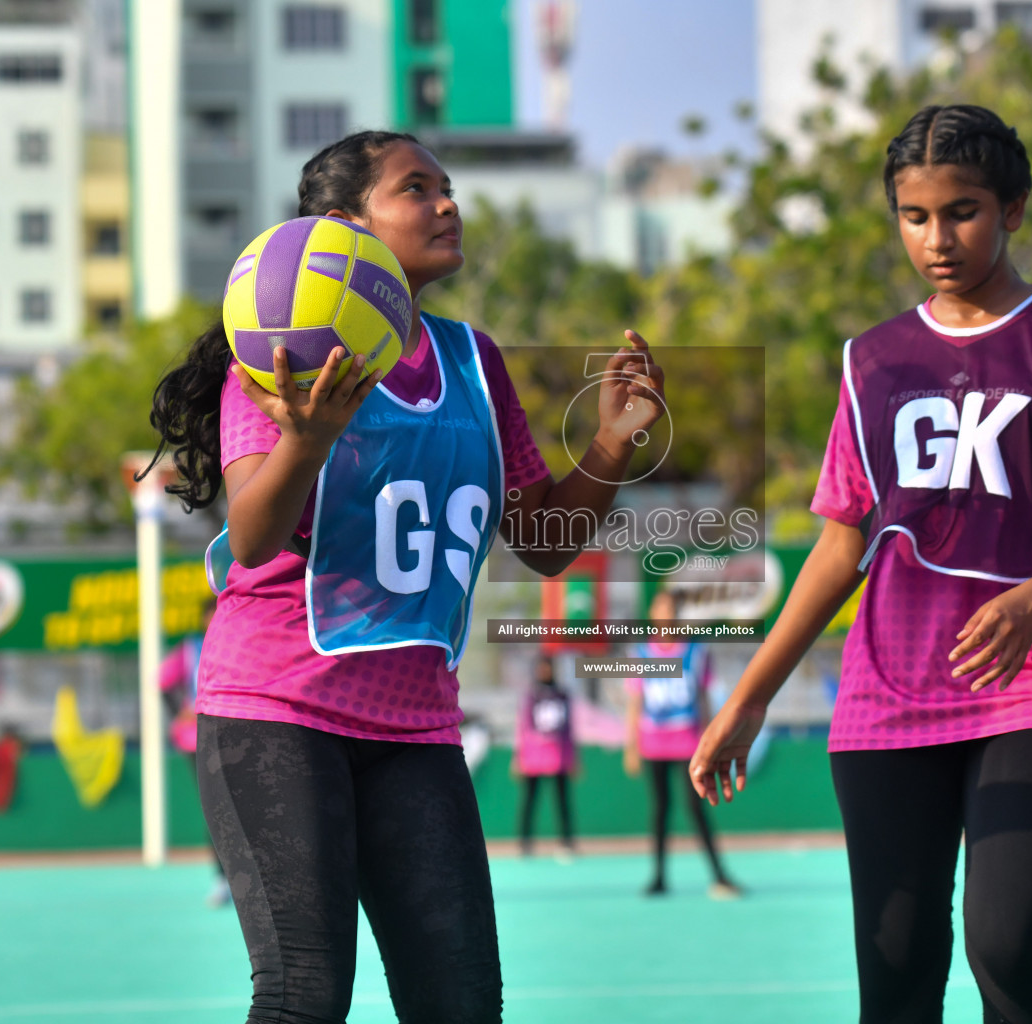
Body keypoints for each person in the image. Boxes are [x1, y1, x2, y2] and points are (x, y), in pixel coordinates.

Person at [148, 129, 665, 1024]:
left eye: (447, 187)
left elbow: (542, 540)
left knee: (462, 1004)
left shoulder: (473, 360)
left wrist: (614, 444)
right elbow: (255, 536)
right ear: (344, 227)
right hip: (279, 707)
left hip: (416, 726)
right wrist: (307, 440)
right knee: (305, 994)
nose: (447, 204)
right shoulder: (279, 349)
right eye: (415, 189)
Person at [688, 104, 1032, 1024]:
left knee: (1009, 945)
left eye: (963, 211)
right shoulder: (874, 361)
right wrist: (748, 698)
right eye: (914, 216)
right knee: (896, 971)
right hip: (887, 696)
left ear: (1014, 207)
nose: (937, 238)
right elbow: (842, 543)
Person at [624, 589, 739, 898]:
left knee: (696, 807)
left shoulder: (695, 652)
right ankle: (659, 876)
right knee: (660, 808)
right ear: (652, 614)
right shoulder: (641, 654)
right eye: (661, 608)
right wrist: (631, 746)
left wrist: (710, 738)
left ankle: (719, 874)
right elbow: (635, 700)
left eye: (671, 608)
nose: (667, 614)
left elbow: (703, 697)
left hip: (688, 741)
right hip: (653, 742)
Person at [158, 630, 231, 907]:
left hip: (237, 731)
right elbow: (162, 681)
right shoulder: (191, 648)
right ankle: (221, 879)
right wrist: (179, 711)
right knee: (218, 806)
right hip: (196, 737)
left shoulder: (240, 634)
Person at [513, 655, 577, 857]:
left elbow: (569, 729)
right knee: (530, 800)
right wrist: (519, 757)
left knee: (562, 800)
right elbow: (522, 727)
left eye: (547, 668)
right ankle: (525, 841)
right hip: (534, 756)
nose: (544, 672)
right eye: (541, 668)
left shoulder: (562, 694)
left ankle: (566, 841)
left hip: (558, 756)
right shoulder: (531, 695)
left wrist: (573, 757)